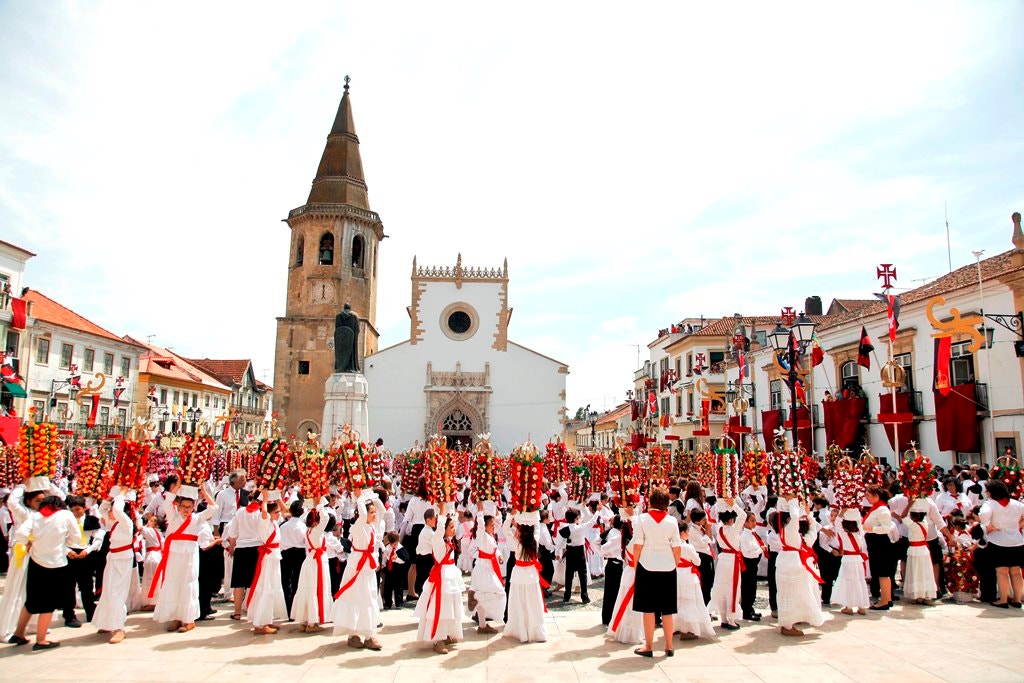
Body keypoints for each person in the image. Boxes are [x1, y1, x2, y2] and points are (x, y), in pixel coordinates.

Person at [9, 495, 81, 650]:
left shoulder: (36, 516)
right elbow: (76, 538)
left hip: (36, 562)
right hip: (56, 564)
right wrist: (64, 543)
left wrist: (29, 543)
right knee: (49, 603)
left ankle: (19, 633)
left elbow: (20, 534)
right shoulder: (66, 514)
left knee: (32, 600)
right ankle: (41, 640)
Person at [151, 483, 218, 633]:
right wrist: (176, 487)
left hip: (189, 555)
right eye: (183, 506)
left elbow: (214, 508)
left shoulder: (197, 518)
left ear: (194, 506)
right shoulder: (173, 516)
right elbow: (167, 502)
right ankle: (176, 616)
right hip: (175, 554)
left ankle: (189, 619)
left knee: (188, 584)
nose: (186, 510)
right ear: (179, 506)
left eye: (189, 506)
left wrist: (205, 493)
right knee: (174, 583)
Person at [632, 488, 682, 657]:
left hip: (647, 565)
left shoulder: (642, 519)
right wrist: (675, 563)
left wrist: (635, 565)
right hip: (668, 566)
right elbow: (677, 547)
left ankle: (649, 646)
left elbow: (637, 545)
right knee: (667, 610)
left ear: (650, 502)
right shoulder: (672, 521)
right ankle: (668, 645)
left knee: (648, 609)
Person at [332, 490, 382, 650]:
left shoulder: (371, 527)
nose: (374, 515)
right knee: (356, 597)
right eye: (371, 512)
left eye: (374, 512)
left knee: (369, 598)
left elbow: (383, 511)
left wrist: (372, 496)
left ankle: (369, 634)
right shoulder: (358, 527)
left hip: (367, 567)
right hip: (357, 567)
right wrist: (359, 496)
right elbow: (361, 513)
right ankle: (353, 634)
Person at [0, 485, 47, 641]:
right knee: (17, 589)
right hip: (23, 555)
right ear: (28, 501)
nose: (41, 503)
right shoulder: (24, 513)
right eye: (37, 500)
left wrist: (43, 483)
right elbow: (13, 502)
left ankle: (32, 625)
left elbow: (60, 496)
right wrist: (23, 484)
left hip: (38, 556)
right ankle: (8, 629)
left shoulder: (44, 515)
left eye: (43, 500)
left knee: (34, 591)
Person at [91, 494, 138, 643]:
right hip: (113, 558)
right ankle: (107, 622)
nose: (110, 511)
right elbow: (102, 509)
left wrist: (121, 493)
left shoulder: (126, 522)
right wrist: (111, 495)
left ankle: (119, 627)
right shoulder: (114, 523)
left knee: (118, 591)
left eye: (113, 509)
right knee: (108, 590)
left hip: (123, 559)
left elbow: (117, 509)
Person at [775, 496, 824, 637]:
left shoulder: (784, 530)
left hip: (785, 561)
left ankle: (787, 623)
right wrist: (792, 502)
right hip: (793, 564)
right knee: (794, 594)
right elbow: (802, 522)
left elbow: (811, 532)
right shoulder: (791, 529)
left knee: (786, 595)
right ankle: (788, 625)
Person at [415, 516, 465, 654]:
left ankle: (447, 633)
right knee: (441, 608)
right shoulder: (438, 541)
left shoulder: (449, 541)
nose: (454, 530)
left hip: (451, 576)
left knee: (451, 607)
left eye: (454, 527)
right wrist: (442, 509)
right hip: (441, 577)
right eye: (451, 527)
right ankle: (437, 639)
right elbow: (440, 529)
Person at [503, 513, 547, 643]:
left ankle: (521, 629)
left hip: (518, 575)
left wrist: (510, 516)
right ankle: (534, 630)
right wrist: (534, 514)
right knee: (532, 602)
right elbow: (538, 527)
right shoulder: (535, 542)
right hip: (531, 575)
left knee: (519, 602)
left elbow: (506, 530)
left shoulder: (517, 545)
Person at [979, 480, 1024, 608]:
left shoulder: (991, 504)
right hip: (1016, 541)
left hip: (998, 541)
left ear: (992, 492)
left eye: (987, 490)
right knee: (1016, 571)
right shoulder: (1016, 503)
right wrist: (1018, 525)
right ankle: (1017, 599)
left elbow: (983, 514)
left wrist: (989, 527)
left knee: (1002, 571)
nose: (986, 493)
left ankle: (1003, 599)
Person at [246, 496, 287, 635]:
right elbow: (264, 513)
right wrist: (264, 498)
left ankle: (267, 619)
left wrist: (277, 496)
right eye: (276, 512)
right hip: (268, 557)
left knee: (273, 587)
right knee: (266, 587)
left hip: (274, 556)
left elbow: (287, 510)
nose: (279, 514)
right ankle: (260, 624)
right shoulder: (264, 522)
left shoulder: (275, 522)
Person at [293, 500, 333, 632]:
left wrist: (313, 507)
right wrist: (319, 505)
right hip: (317, 562)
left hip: (310, 561)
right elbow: (326, 518)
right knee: (315, 589)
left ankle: (306, 620)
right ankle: (311, 623)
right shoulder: (315, 531)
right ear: (316, 521)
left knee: (308, 589)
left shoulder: (308, 531)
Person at [64, 494, 104, 627]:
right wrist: (67, 551)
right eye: (73, 510)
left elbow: (98, 538)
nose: (75, 513)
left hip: (85, 553)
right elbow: (59, 539)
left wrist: (87, 550)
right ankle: (69, 615)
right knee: (69, 586)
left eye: (78, 509)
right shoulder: (66, 521)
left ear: (84, 508)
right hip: (70, 553)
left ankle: (90, 612)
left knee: (86, 585)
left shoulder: (91, 520)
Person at [227, 490, 263, 621]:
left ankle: (237, 612)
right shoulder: (262, 513)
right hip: (258, 549)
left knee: (239, 583)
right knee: (256, 581)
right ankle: (254, 611)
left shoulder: (240, 512)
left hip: (242, 548)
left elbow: (232, 532)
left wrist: (232, 546)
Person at [674, 523, 714, 641]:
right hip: (688, 575)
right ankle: (689, 629)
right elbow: (697, 561)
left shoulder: (672, 546)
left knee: (677, 601)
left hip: (677, 574)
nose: (689, 534)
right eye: (687, 532)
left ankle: (675, 626)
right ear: (681, 533)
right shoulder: (688, 547)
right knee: (689, 601)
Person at [710, 498, 745, 631]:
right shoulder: (733, 530)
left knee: (722, 588)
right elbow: (743, 515)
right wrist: (733, 505)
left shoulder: (719, 529)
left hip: (723, 559)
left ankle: (724, 618)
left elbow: (720, 516)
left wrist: (724, 504)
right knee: (733, 588)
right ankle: (731, 619)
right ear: (731, 520)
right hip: (732, 561)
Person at [470, 513, 504, 634]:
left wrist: (499, 556)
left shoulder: (490, 535)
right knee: (497, 592)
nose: (494, 527)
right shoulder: (481, 535)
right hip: (483, 567)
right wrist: (480, 510)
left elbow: (495, 548)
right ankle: (475, 598)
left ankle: (482, 624)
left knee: (486, 594)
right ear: (484, 526)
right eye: (491, 525)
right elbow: (471, 551)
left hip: (490, 566)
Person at [831, 509, 869, 615]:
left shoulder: (844, 535)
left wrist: (843, 512)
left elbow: (837, 523)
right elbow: (860, 524)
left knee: (849, 582)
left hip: (848, 559)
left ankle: (849, 607)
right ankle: (861, 607)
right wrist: (855, 513)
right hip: (858, 560)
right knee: (859, 581)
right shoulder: (860, 534)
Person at [864, 485, 896, 610]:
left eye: (868, 495)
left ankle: (884, 600)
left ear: (876, 496)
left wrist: (871, 528)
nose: (866, 497)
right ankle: (887, 598)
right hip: (874, 542)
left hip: (880, 542)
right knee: (881, 572)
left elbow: (886, 528)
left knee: (882, 572)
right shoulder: (876, 509)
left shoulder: (882, 510)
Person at [904, 500, 938, 604]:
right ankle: (923, 595)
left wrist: (909, 504)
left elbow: (902, 516)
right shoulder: (925, 523)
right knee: (924, 572)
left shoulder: (914, 526)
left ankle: (918, 595)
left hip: (916, 550)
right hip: (922, 550)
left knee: (916, 572)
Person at [279, 499, 308, 618]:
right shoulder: (302, 527)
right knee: (297, 581)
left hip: (286, 554)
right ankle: (295, 610)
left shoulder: (284, 526)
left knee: (286, 582)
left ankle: (288, 607)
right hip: (299, 554)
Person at [558, 505, 593, 604]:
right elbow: (591, 521)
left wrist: (557, 552)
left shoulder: (564, 530)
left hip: (570, 552)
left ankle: (567, 595)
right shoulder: (580, 528)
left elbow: (559, 543)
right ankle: (584, 596)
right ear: (576, 519)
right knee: (583, 575)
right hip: (580, 552)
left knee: (568, 575)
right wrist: (597, 512)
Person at [739, 512, 765, 621]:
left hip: (753, 565)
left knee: (752, 587)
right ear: (745, 522)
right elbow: (747, 553)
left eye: (755, 520)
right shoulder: (745, 536)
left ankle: (750, 608)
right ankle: (747, 610)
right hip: (748, 564)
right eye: (752, 521)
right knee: (747, 588)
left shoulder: (752, 533)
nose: (754, 523)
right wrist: (760, 550)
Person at [600, 515, 625, 626]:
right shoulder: (616, 535)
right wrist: (606, 554)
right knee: (612, 592)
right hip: (614, 564)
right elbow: (602, 547)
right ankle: (608, 618)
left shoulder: (615, 533)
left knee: (613, 592)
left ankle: (610, 617)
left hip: (616, 564)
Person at [197, 519, 224, 621]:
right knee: (204, 585)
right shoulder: (203, 527)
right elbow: (204, 547)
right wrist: (216, 541)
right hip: (205, 557)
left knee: (207, 585)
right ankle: (202, 611)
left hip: (206, 557)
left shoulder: (204, 525)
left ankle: (207, 607)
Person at [139, 514, 164, 611]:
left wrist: (136, 515)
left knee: (151, 580)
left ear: (157, 525)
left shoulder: (151, 531)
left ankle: (152, 602)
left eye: (152, 521)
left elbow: (140, 528)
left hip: (152, 557)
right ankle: (155, 601)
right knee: (156, 580)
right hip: (158, 556)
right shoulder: (159, 533)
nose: (149, 521)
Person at [379, 531, 410, 610]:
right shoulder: (387, 548)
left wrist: (397, 558)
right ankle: (388, 602)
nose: (394, 545)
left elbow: (405, 560)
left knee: (398, 586)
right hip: (390, 569)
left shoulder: (401, 548)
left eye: (396, 543)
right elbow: (385, 557)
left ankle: (399, 602)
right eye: (392, 544)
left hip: (398, 569)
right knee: (388, 586)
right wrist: (383, 563)